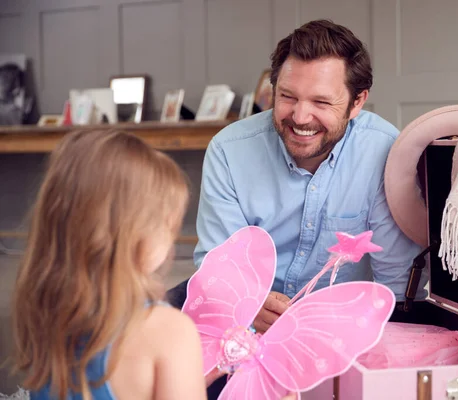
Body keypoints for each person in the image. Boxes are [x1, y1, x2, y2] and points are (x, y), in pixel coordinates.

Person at [168, 19, 428, 334]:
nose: (300, 117)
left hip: (340, 325)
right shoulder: (229, 150)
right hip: (245, 318)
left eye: (321, 102)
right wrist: (246, 303)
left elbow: (398, 288)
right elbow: (220, 264)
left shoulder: (386, 152)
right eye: (288, 97)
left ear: (357, 101)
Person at [11, 130, 224, 400]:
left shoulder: (43, 312)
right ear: (137, 236)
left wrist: (185, 378)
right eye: (168, 225)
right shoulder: (169, 331)